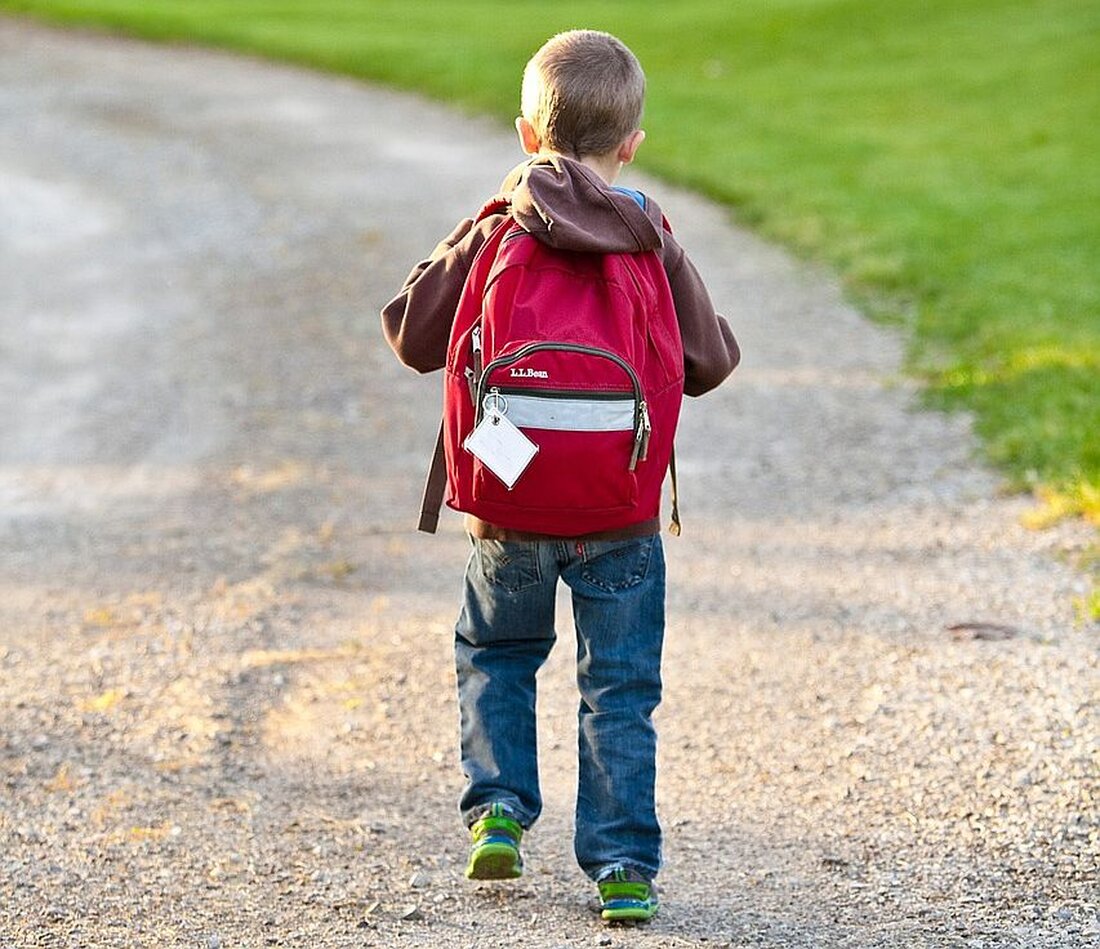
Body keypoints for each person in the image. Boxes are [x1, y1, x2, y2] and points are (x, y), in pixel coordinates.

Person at [381, 29, 739, 922]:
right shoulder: (647, 231)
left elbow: (411, 334)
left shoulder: (501, 225)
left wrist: (484, 217)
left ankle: (498, 809)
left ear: (525, 136)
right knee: (618, 687)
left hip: (510, 507)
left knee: (498, 653)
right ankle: (622, 865)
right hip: (620, 511)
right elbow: (711, 361)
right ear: (632, 144)